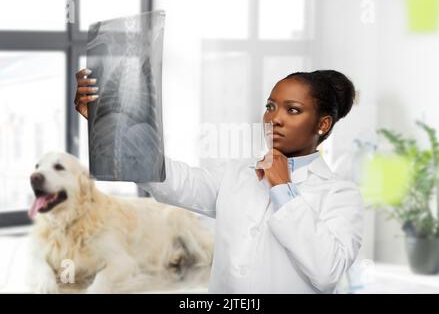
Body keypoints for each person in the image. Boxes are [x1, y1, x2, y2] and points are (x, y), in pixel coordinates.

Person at [74, 68, 364, 294]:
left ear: (323, 124)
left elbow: (327, 272)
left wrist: (282, 190)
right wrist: (107, 125)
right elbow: (173, 181)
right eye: (270, 106)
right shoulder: (237, 173)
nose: (274, 118)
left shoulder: (340, 194)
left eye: (293, 110)